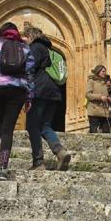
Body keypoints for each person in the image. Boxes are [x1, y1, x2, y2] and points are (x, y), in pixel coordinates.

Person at [0, 22, 35, 181]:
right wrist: (29, 96)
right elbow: (30, 73)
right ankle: (3, 169)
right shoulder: (25, 48)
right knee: (8, 129)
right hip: (17, 89)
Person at [24, 26, 70, 171]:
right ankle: (60, 151)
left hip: (40, 90)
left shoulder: (36, 47)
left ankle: (38, 162)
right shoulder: (50, 50)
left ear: (31, 36)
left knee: (32, 126)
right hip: (54, 92)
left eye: (25, 38)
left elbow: (29, 68)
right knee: (45, 126)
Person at [86, 65, 111, 134]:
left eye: (105, 72)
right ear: (98, 71)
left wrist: (108, 98)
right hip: (94, 111)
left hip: (104, 112)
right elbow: (88, 95)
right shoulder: (91, 81)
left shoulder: (104, 82)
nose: (104, 73)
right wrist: (100, 97)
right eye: (103, 71)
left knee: (107, 132)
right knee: (93, 133)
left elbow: (105, 95)